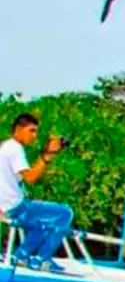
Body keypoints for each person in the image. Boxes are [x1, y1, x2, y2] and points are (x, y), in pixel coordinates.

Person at [1, 114, 72, 271]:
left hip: (7, 207)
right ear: (19, 130)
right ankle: (42, 259)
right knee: (65, 213)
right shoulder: (15, 149)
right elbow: (31, 178)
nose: (34, 136)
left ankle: (21, 255)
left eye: (36, 132)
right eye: (31, 131)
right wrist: (48, 155)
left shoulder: (5, 147)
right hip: (16, 206)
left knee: (42, 223)